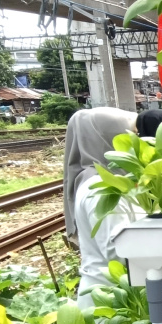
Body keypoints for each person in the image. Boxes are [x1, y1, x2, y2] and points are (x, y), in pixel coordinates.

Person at [63, 107, 139, 309]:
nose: (135, 142)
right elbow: (118, 252)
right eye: (129, 135)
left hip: (121, 295)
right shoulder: (100, 186)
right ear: (108, 139)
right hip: (110, 301)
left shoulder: (105, 178)